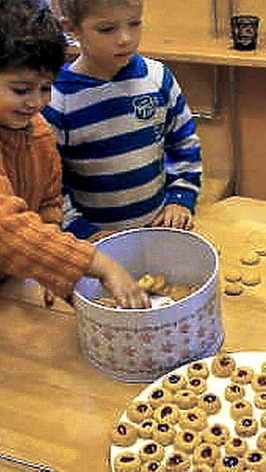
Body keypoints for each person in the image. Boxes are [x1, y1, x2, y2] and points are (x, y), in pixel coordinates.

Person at [0, 0, 149, 308]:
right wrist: (100, 264)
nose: (36, 102)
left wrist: (50, 266)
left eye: (45, 88)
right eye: (21, 90)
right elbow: (6, 228)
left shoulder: (39, 134)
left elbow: (48, 204)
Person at [42, 0, 202, 240]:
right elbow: (49, 182)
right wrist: (78, 229)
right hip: (95, 242)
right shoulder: (56, 98)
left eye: (134, 23)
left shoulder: (157, 78)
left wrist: (180, 197)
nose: (126, 38)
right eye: (107, 29)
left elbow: (183, 145)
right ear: (72, 29)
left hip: (158, 227)